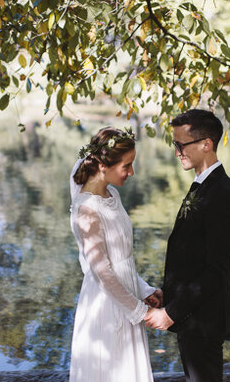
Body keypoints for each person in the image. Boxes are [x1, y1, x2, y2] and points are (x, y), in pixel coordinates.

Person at [145, 109, 230, 382]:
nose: (176, 151)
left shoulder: (221, 192)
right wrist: (169, 292)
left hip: (204, 319)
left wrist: (171, 313)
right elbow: (192, 255)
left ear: (206, 144)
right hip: (192, 313)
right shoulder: (203, 185)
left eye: (180, 144)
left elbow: (215, 269)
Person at [68, 127, 162, 382]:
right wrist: (142, 313)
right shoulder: (87, 209)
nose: (132, 172)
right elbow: (102, 271)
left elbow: (121, 260)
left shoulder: (112, 194)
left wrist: (145, 291)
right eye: (127, 166)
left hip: (127, 295)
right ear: (102, 164)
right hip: (106, 306)